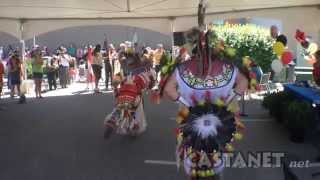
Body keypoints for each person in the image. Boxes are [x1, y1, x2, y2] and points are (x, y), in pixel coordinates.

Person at [161, 1, 249, 179]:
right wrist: (229, 100)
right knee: (216, 161)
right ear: (216, 46)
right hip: (220, 125)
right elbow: (244, 82)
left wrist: (185, 104)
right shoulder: (228, 67)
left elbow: (168, 89)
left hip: (191, 126)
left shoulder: (182, 68)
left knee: (193, 162)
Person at [103, 51, 155, 139]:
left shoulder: (125, 70)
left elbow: (116, 81)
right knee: (136, 111)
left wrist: (116, 87)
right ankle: (133, 127)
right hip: (134, 95)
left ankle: (116, 122)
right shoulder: (141, 72)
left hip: (124, 94)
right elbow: (149, 83)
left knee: (121, 108)